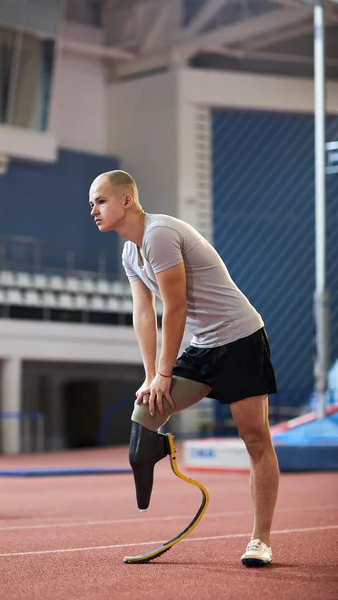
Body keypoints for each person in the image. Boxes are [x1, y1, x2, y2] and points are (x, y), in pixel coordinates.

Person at [89, 169, 279, 568]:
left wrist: (164, 373)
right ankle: (148, 491)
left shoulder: (159, 234)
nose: (94, 209)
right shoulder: (129, 251)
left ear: (127, 200)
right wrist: (150, 377)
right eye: (91, 204)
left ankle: (260, 540)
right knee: (145, 412)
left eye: (100, 200)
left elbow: (174, 308)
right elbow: (144, 313)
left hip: (240, 339)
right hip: (203, 347)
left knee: (255, 439)